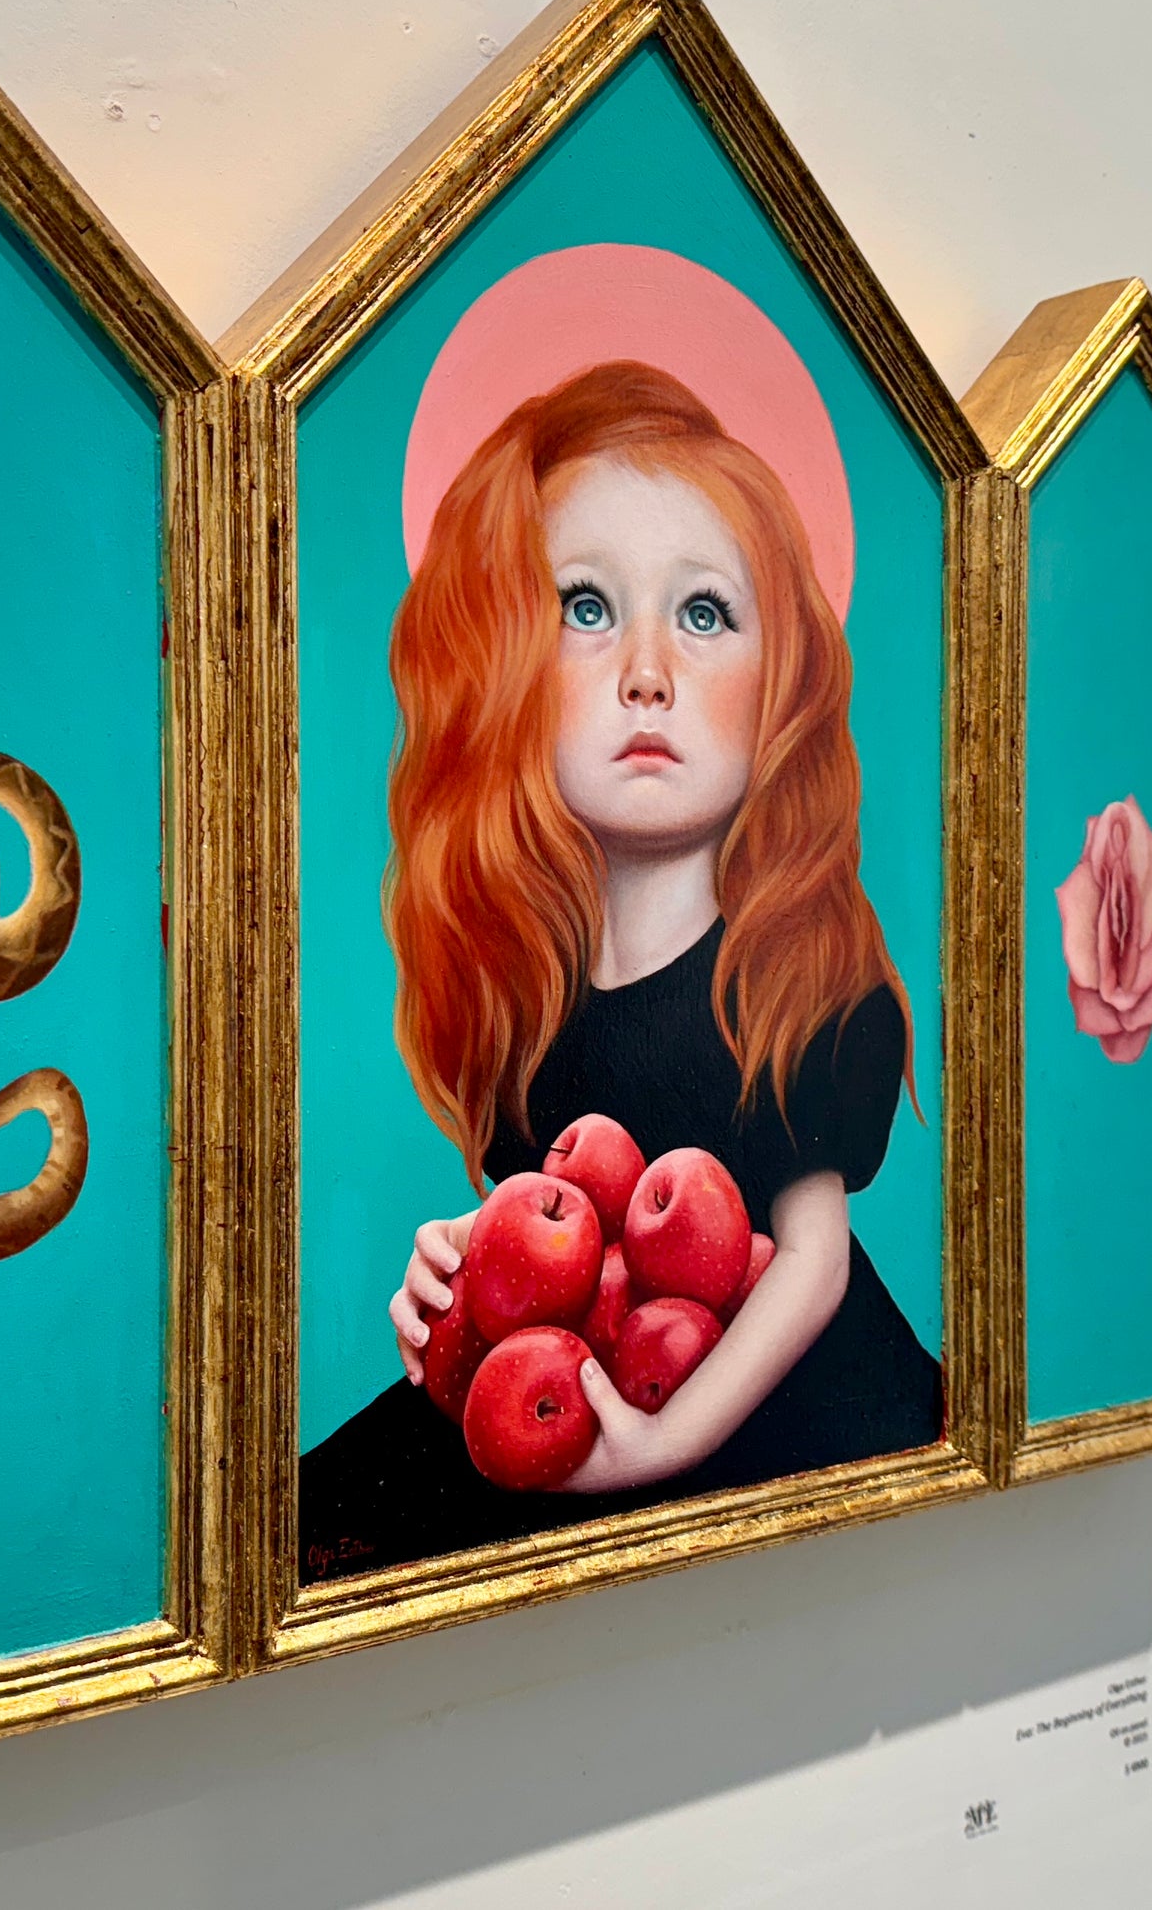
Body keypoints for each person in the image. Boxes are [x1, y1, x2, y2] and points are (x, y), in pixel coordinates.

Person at [298, 360, 941, 1584]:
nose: (647, 669)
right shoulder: (528, 992)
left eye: (702, 613)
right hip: (597, 1394)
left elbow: (809, 1263)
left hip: (794, 1419)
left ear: (784, 680)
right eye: (584, 606)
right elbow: (566, 1233)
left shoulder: (793, 977)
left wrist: (661, 1445)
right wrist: (459, 1273)